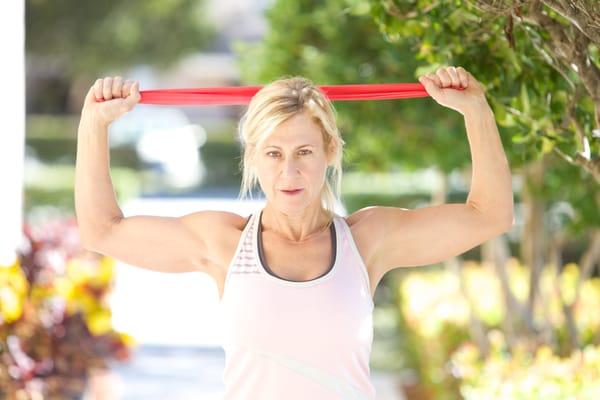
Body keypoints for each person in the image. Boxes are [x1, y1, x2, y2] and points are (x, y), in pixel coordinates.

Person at [74, 67, 513, 399]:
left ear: (329, 151)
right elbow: (102, 231)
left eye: (304, 151)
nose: (290, 171)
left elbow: (490, 215)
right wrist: (95, 124)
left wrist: (476, 110)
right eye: (274, 153)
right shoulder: (223, 243)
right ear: (254, 158)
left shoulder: (367, 240)